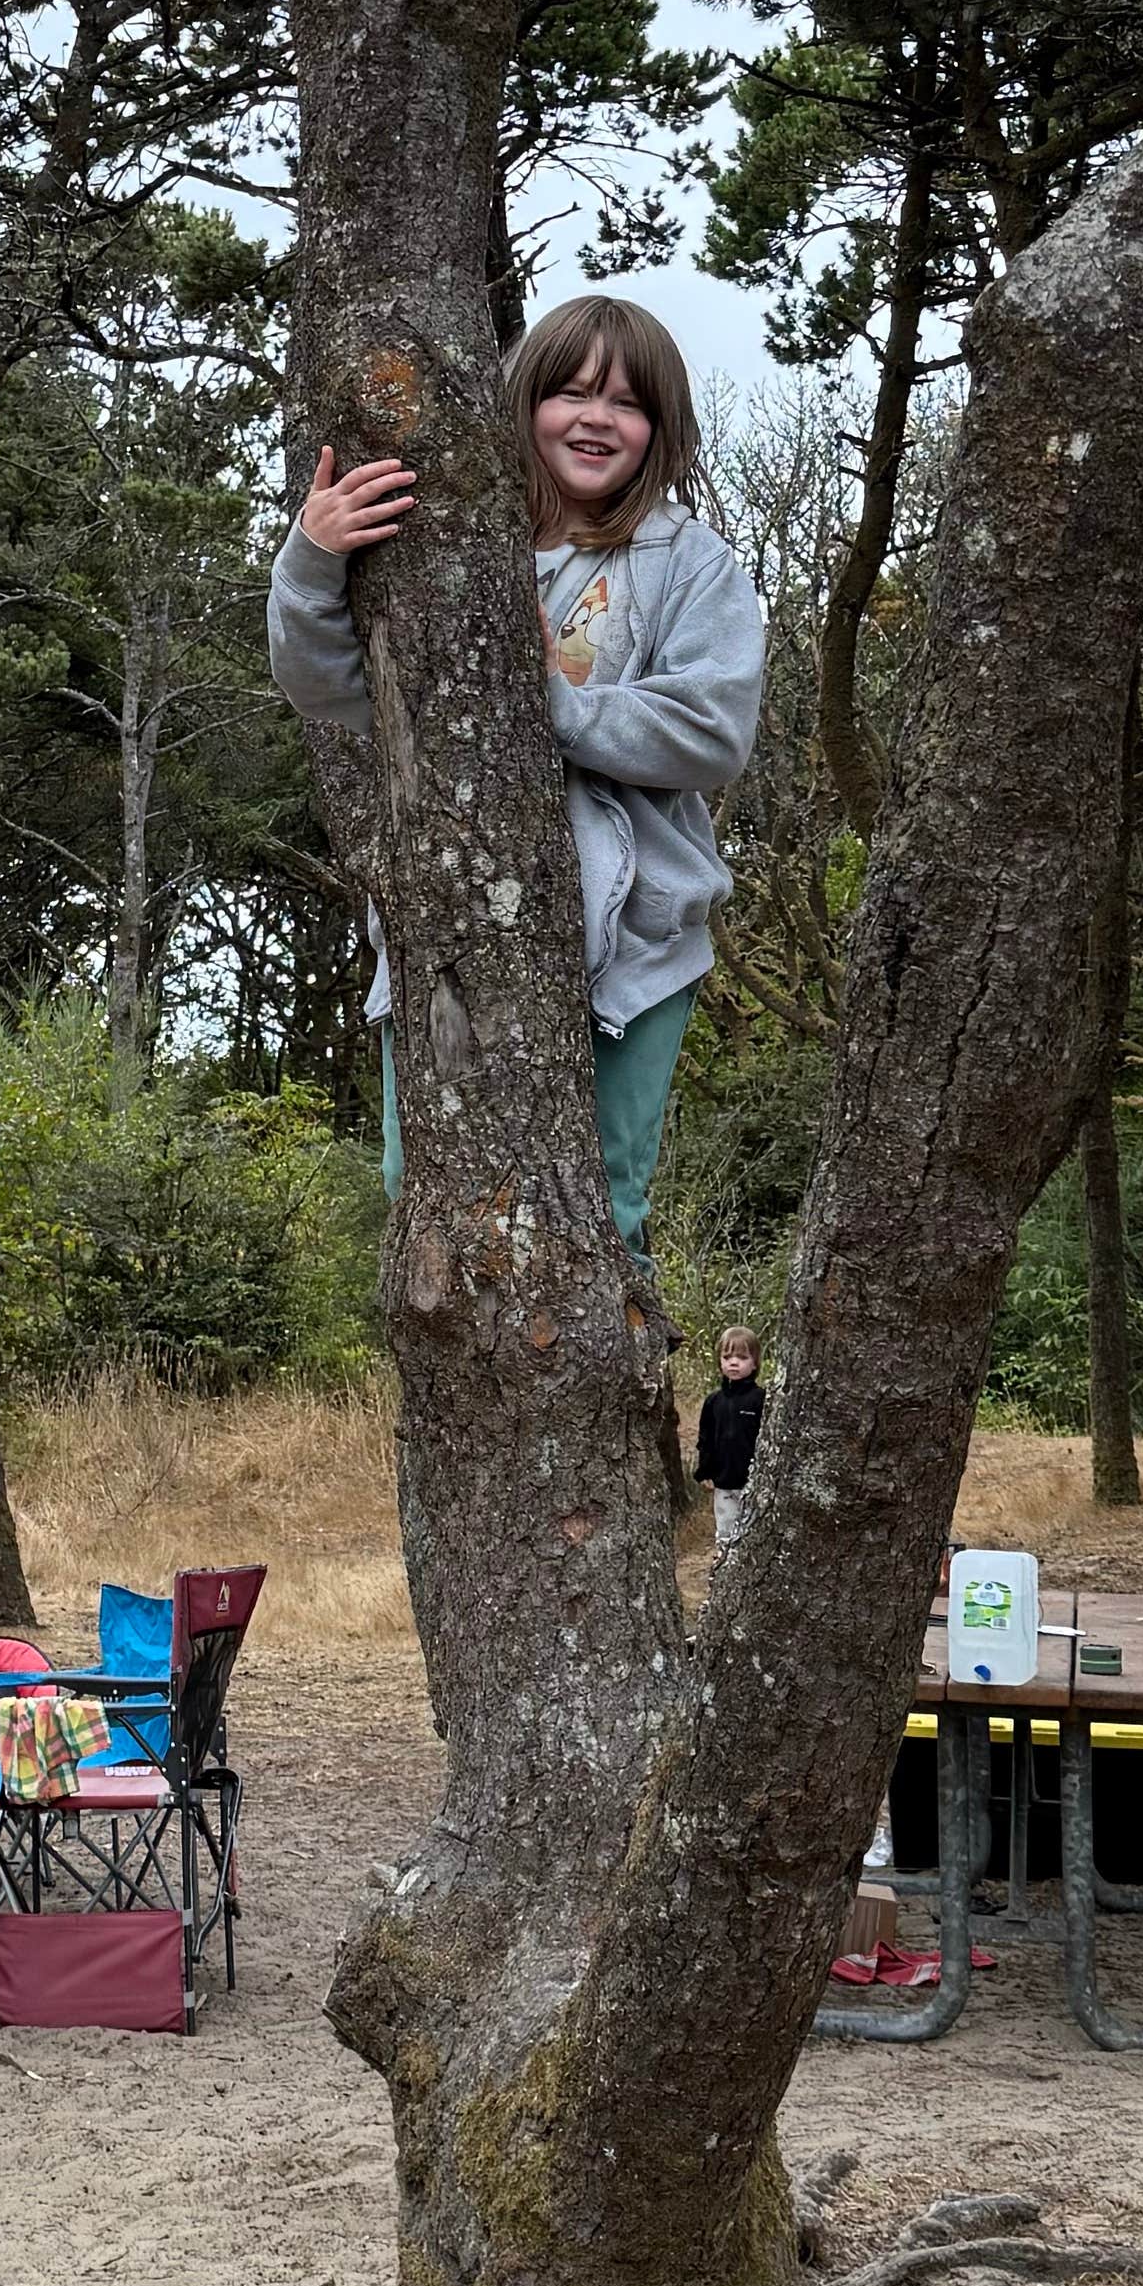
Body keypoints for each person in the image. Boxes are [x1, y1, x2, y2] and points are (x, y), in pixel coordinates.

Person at [268, 293, 767, 1248]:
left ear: (659, 429)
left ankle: (617, 1392)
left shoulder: (691, 563)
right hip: (447, 915)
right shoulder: (444, 541)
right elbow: (334, 689)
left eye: (627, 403)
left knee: (604, 1202)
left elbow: (712, 730)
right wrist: (310, 562)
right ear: (525, 400)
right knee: (421, 1178)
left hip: (640, 943)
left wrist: (548, 702)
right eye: (571, 393)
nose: (596, 419)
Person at [696, 1326, 768, 1547]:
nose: (733, 1362)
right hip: (724, 1482)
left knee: (753, 1534)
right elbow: (705, 1438)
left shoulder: (762, 1399)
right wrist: (705, 1471)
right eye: (727, 1357)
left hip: (754, 1482)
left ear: (754, 1362)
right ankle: (723, 1570)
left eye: (742, 1357)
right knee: (725, 1531)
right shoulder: (713, 1401)